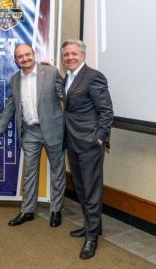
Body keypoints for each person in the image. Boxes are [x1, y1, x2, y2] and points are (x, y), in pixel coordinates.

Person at [0, 44, 66, 228]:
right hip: (30, 131)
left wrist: (60, 76)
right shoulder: (15, 79)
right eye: (20, 56)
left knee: (57, 170)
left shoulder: (51, 73)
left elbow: (66, 96)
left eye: (27, 54)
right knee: (29, 172)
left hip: (53, 130)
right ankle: (27, 210)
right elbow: (11, 106)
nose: (25, 59)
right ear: (16, 60)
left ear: (33, 54)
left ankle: (56, 209)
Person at [61, 39, 113, 260]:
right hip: (72, 141)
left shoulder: (94, 76)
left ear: (82, 55)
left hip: (90, 143)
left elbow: (107, 111)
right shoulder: (68, 77)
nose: (69, 57)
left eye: (73, 53)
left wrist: (100, 137)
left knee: (91, 190)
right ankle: (93, 226)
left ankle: (91, 238)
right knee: (81, 188)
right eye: (66, 55)